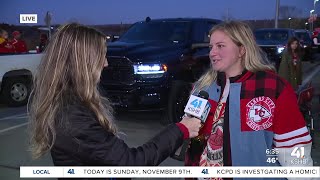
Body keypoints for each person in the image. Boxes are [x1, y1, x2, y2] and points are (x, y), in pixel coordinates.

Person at [29, 23, 202, 171]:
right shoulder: (72, 116)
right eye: (102, 56)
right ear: (82, 61)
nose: (106, 63)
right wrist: (181, 129)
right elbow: (130, 162)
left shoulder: (69, 101)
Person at [184, 21, 313, 180]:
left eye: (220, 46)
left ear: (241, 50)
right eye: (211, 47)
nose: (212, 53)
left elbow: (294, 149)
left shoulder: (272, 88)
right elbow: (191, 138)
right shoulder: (202, 88)